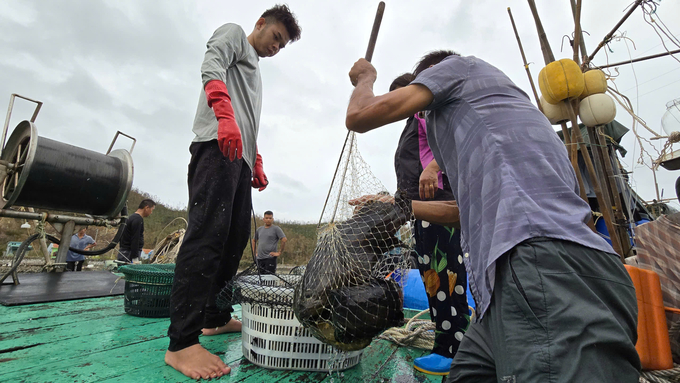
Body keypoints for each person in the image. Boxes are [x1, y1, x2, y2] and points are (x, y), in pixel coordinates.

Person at [345, 51, 640, 382]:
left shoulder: (459, 68)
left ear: (432, 72)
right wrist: (397, 207)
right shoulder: (495, 125)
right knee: (467, 373)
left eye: (422, 101)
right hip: (506, 289)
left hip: (545, 268)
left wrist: (366, 77)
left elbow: (360, 115)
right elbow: (460, 213)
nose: (423, 114)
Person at [164, 5, 301, 380]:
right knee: (207, 235)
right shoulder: (235, 34)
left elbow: (249, 119)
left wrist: (254, 159)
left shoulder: (255, 71)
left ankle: (213, 317)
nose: (277, 47)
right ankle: (181, 343)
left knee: (235, 238)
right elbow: (212, 65)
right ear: (260, 24)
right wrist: (223, 114)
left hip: (239, 158)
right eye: (276, 37)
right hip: (216, 146)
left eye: (283, 45)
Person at [390, 73, 469, 375]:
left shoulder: (426, 112)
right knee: (433, 280)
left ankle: (455, 351)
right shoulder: (411, 123)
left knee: (449, 278)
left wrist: (433, 167)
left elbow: (453, 143)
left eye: (398, 97)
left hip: (440, 207)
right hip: (422, 212)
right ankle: (444, 345)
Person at [118, 199, 155, 263]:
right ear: (147, 208)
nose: (151, 212)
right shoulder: (138, 219)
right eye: (152, 210)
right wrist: (135, 257)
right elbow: (135, 238)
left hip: (124, 251)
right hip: (129, 253)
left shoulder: (131, 217)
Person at [252, 210, 287, 274]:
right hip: (259, 258)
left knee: (269, 278)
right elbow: (254, 240)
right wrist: (255, 252)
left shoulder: (276, 229)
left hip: (270, 258)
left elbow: (284, 239)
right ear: (263, 219)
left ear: (272, 219)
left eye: (270, 218)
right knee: (260, 278)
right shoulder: (259, 229)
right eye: (267, 218)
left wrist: (279, 252)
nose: (268, 220)